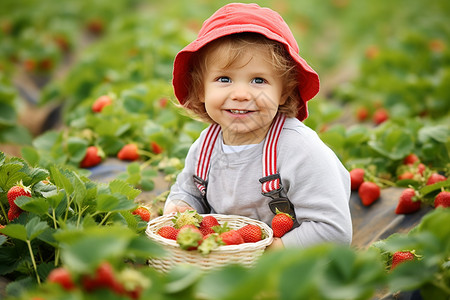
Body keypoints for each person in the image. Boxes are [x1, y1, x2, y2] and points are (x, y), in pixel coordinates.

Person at [164, 3, 352, 249]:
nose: (241, 94)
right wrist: (182, 207)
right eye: (224, 79)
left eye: (258, 80)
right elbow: (188, 192)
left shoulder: (300, 150)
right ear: (200, 89)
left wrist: (276, 250)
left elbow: (334, 231)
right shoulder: (205, 147)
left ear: (284, 92)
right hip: (228, 259)